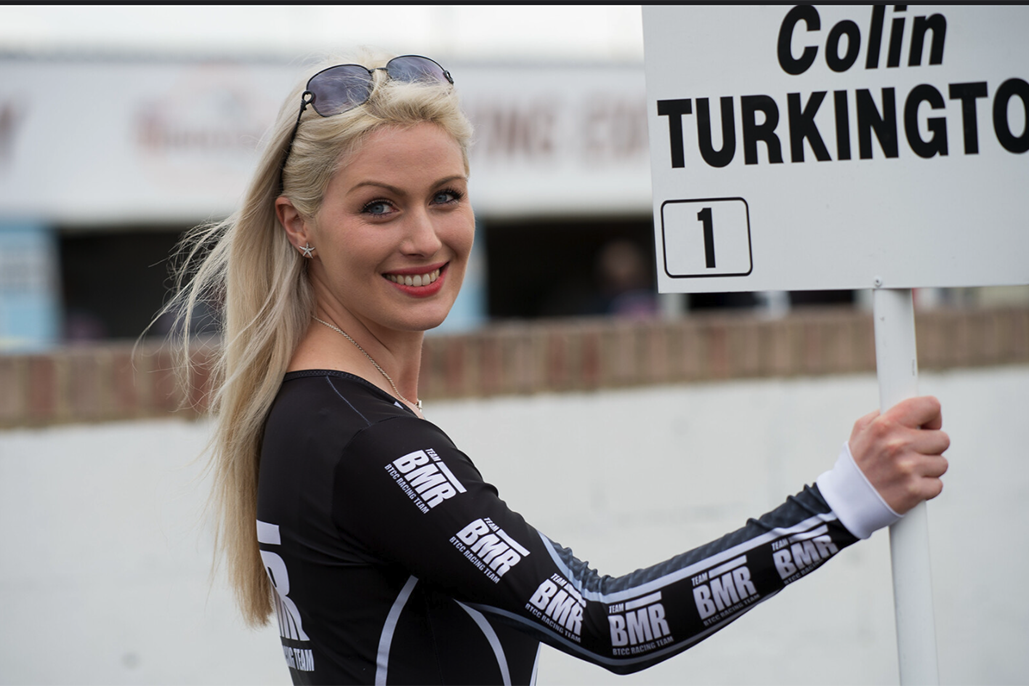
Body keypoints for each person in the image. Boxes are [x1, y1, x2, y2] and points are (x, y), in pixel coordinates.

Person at [163, 50, 949, 685]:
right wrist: (841, 502)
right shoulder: (368, 444)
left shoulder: (318, 414)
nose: (425, 239)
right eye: (378, 206)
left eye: (445, 196)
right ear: (299, 224)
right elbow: (610, 623)